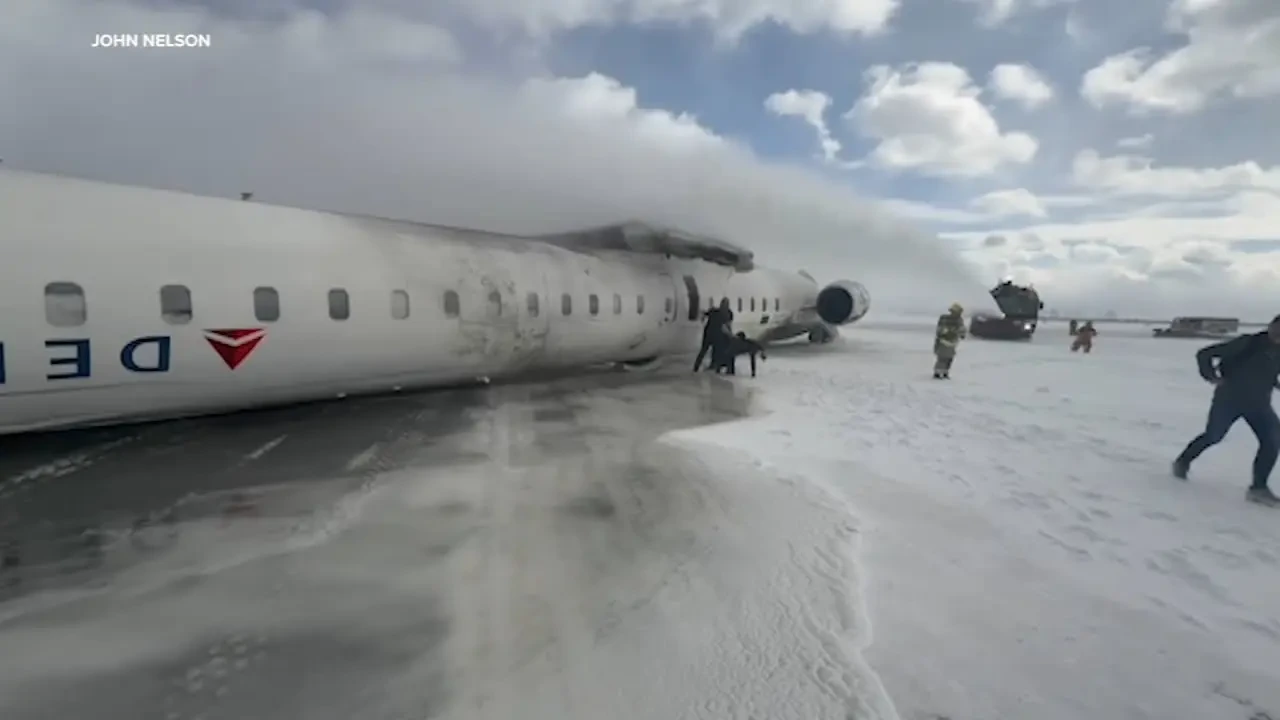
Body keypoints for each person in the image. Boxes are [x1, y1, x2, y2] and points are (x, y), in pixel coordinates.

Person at [1172, 315, 1280, 506]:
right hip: (1229, 401)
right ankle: (1183, 461)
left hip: (1259, 404)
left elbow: (1268, 373)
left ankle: (1258, 488)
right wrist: (1211, 376)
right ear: (1271, 325)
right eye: (1278, 328)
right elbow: (1204, 354)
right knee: (1214, 436)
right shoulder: (1248, 342)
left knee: (1272, 440)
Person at [694, 298, 733, 372]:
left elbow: (704, 314)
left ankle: (696, 366)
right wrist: (730, 335)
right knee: (716, 351)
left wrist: (702, 317)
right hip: (716, 335)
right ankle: (715, 366)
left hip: (708, 333)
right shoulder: (728, 313)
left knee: (704, 350)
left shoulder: (714, 311)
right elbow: (728, 325)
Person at [933, 303, 966, 379]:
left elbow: (962, 331)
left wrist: (961, 333)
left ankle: (945, 372)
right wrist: (949, 331)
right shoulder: (944, 318)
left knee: (949, 359)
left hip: (953, 342)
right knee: (942, 358)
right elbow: (940, 330)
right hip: (944, 341)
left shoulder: (959, 320)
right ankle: (938, 372)